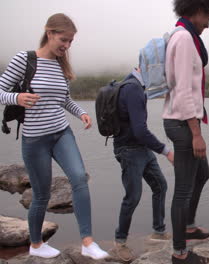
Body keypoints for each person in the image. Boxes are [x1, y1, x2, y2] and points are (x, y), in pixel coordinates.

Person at [0, 13, 109, 259]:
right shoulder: (24, 60)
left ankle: (88, 241)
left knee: (79, 178)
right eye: (64, 39)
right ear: (49, 33)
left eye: (71, 42)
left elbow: (64, 99)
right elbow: (0, 90)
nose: (67, 46)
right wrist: (16, 98)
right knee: (41, 195)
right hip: (35, 139)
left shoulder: (61, 64)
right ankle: (36, 244)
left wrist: (81, 113)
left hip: (61, 133)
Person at [163, 0, 209, 263]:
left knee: (203, 173)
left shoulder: (183, 34)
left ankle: (187, 226)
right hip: (183, 123)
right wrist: (196, 133)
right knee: (183, 190)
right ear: (198, 10)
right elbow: (185, 89)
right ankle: (179, 253)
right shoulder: (184, 38)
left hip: (182, 120)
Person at [111, 67, 174, 262]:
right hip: (129, 150)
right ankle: (119, 242)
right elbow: (140, 130)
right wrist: (166, 151)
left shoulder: (135, 84)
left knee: (160, 186)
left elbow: (139, 130)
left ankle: (158, 231)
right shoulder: (132, 89)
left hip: (142, 148)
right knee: (133, 197)